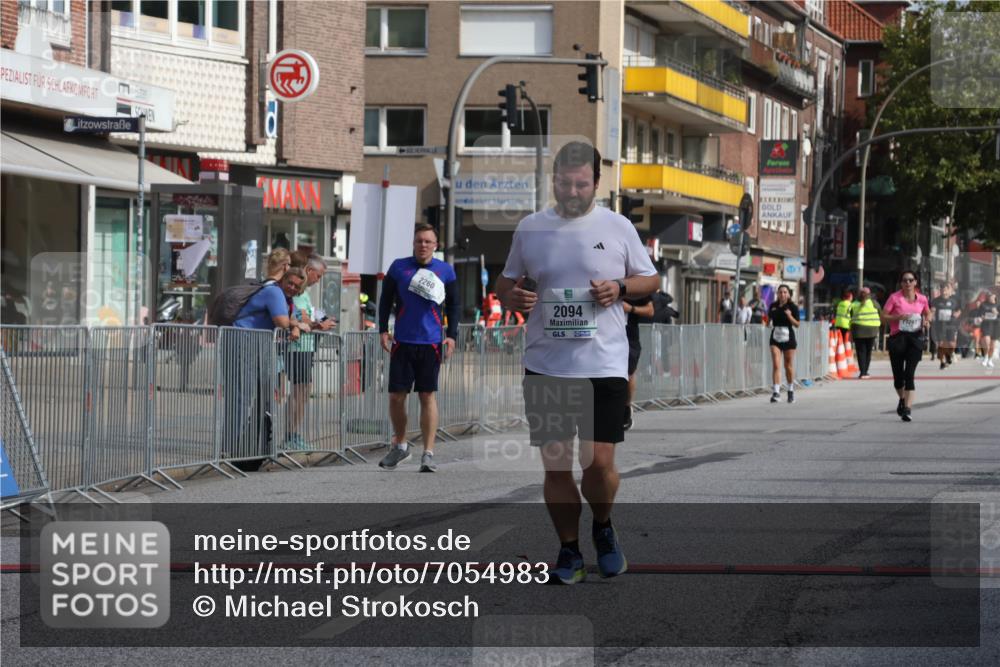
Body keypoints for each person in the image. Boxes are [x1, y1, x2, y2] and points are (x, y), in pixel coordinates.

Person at [496, 141, 659, 584]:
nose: (572, 191)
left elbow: (651, 279)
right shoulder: (531, 227)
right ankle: (569, 550)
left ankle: (603, 527)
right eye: (565, 183)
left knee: (599, 465)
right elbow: (505, 279)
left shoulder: (618, 225)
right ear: (554, 182)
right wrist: (511, 295)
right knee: (556, 464)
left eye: (581, 183)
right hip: (547, 363)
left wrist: (621, 289)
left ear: (596, 183)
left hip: (603, 363)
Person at [377, 223, 459, 473]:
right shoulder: (399, 267)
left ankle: (428, 453)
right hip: (403, 342)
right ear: (413, 243)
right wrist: (382, 329)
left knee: (427, 396)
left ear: (435, 245)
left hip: (431, 343)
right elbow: (385, 300)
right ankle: (401, 446)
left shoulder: (445, 270)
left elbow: (454, 306)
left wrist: (452, 336)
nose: (423, 245)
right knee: (396, 397)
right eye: (419, 241)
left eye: (428, 241)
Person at [228, 267, 309, 470]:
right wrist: (297, 325)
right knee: (243, 397)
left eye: (296, 287)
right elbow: (281, 321)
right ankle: (232, 448)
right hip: (243, 343)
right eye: (289, 283)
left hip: (255, 346)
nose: (292, 288)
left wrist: (296, 325)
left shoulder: (283, 296)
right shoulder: (274, 292)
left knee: (257, 397)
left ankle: (247, 447)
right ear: (283, 279)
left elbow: (287, 320)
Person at [284, 253, 337, 449]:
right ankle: (290, 435)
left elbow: (307, 316)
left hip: (304, 347)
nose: (318, 280)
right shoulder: (298, 292)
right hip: (296, 348)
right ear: (309, 271)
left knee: (304, 391)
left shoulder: (304, 293)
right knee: (299, 392)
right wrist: (318, 325)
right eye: (319, 275)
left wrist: (318, 322)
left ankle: (294, 433)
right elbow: (300, 318)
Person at [881, 270, 930, 422]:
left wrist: (927, 320)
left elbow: (928, 312)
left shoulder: (922, 299)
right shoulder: (894, 298)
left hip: (915, 339)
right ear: (901, 283)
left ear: (915, 282)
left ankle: (907, 409)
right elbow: (883, 317)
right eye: (904, 280)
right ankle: (902, 399)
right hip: (898, 338)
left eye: (910, 280)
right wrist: (897, 317)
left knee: (909, 374)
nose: (907, 283)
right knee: (898, 378)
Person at [623, 295, 655, 430]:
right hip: (603, 337)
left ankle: (626, 407)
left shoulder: (633, 286)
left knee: (628, 374)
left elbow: (650, 311)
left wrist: (630, 308)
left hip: (629, 338)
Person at [768, 284, 799, 403]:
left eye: (785, 292)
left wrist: (790, 316)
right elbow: (769, 320)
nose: (782, 294)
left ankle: (790, 391)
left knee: (788, 366)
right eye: (780, 292)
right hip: (775, 337)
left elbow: (797, 324)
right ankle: (776, 392)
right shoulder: (773, 306)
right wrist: (768, 322)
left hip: (788, 338)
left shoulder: (792, 307)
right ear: (777, 294)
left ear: (789, 294)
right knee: (776, 364)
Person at [849, 287, 882, 379]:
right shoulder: (874, 303)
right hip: (872, 330)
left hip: (858, 330)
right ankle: (866, 371)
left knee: (861, 352)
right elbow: (880, 313)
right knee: (868, 352)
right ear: (869, 294)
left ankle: (862, 372)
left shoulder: (854, 304)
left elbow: (850, 316)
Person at [930, 283, 961, 370]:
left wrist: (957, 314)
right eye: (942, 290)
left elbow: (959, 310)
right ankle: (942, 362)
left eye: (946, 290)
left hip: (951, 325)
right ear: (940, 291)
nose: (944, 292)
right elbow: (931, 311)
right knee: (941, 343)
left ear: (949, 291)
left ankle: (950, 354)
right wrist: (932, 313)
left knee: (951, 343)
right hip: (939, 325)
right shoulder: (935, 301)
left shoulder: (954, 301)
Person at [975, 292, 998, 368]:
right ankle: (985, 357)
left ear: (995, 296)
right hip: (986, 326)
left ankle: (990, 360)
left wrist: (997, 313)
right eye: (989, 296)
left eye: (992, 296)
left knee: (992, 345)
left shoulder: (998, 305)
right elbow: (979, 315)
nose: (990, 298)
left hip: (995, 326)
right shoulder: (983, 305)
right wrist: (981, 318)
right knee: (987, 342)